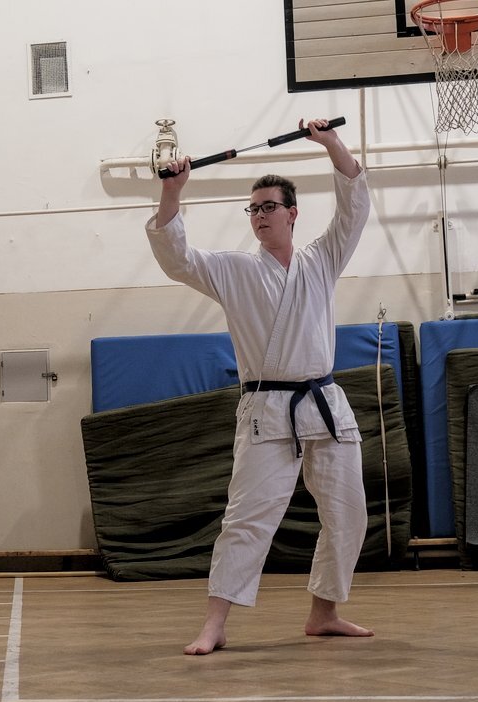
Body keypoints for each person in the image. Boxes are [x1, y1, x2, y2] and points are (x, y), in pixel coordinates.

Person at [145, 118, 374, 655]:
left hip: (325, 403)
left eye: (269, 206)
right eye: (253, 209)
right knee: (247, 520)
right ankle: (215, 624)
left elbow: (355, 208)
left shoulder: (323, 260)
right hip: (267, 408)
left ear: (293, 213)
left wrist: (330, 143)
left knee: (349, 514)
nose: (260, 216)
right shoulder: (233, 271)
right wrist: (171, 191)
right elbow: (177, 258)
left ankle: (324, 614)